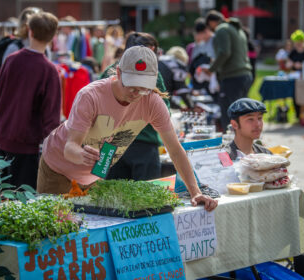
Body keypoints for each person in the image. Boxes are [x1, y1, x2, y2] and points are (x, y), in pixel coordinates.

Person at [37, 46, 218, 212]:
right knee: (57, 227)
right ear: (118, 72)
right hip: (57, 168)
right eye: (131, 86)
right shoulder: (90, 96)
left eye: (143, 89)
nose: (136, 94)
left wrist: (195, 192)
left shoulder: (153, 102)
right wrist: (81, 154)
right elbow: (70, 147)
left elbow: (175, 150)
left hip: (93, 176)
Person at [225, 98, 304, 280]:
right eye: (250, 119)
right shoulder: (228, 157)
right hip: (251, 222)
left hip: (276, 213)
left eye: (260, 118)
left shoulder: (266, 154)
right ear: (234, 124)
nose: (257, 124)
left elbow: (286, 191)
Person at [0, 12, 61, 189]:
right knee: (22, 205)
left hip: (1, 141)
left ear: (29, 31)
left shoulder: (11, 60)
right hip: (27, 148)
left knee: (0, 199)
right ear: (53, 36)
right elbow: (51, 118)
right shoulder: (49, 71)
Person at [101, 31, 170, 181]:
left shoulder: (109, 71)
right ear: (151, 49)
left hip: (110, 146)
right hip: (143, 145)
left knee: (110, 199)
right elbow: (165, 111)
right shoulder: (150, 74)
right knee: (146, 200)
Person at [204, 10, 253, 132]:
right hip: (245, 74)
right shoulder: (237, 29)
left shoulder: (222, 29)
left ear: (211, 22)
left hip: (232, 77)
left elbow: (224, 52)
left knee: (230, 113)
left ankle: (233, 145)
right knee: (242, 112)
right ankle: (245, 141)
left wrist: (211, 69)